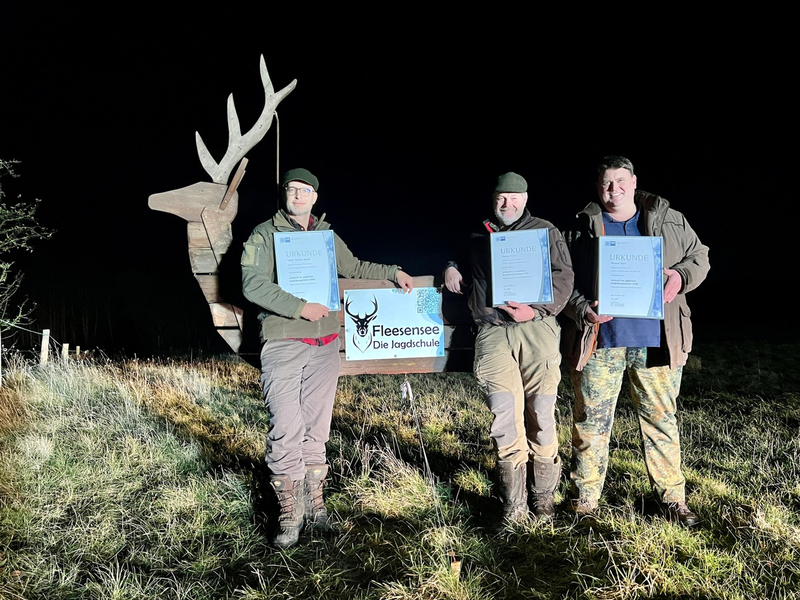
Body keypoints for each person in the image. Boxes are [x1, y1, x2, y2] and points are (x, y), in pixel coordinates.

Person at [241, 168, 414, 548]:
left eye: (305, 191)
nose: (298, 196)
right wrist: (299, 307)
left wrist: (393, 272)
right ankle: (290, 513)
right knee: (285, 427)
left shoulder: (325, 236)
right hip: (284, 341)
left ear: (315, 197)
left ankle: (315, 506)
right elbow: (252, 284)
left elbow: (354, 267)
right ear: (284, 194)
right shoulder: (264, 235)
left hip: (325, 345)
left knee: (316, 429)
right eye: (292, 189)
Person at [561, 155, 710, 526]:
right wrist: (582, 309)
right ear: (598, 187)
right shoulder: (580, 227)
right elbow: (561, 281)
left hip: (655, 343)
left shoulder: (669, 219)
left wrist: (680, 277)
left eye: (621, 181)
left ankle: (672, 500)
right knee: (590, 424)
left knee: (661, 421)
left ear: (634, 181)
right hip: (600, 342)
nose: (614, 189)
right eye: (606, 183)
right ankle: (585, 502)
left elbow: (700, 257)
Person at [445, 172, 574, 527]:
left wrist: (535, 309)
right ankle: (514, 507)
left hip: (535, 329)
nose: (507, 203)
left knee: (541, 413)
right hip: (492, 333)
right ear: (493, 199)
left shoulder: (545, 230)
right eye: (501, 198)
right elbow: (455, 254)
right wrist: (451, 266)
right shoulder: (477, 233)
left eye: (514, 198)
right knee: (504, 418)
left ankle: (543, 500)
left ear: (525, 198)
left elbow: (564, 278)